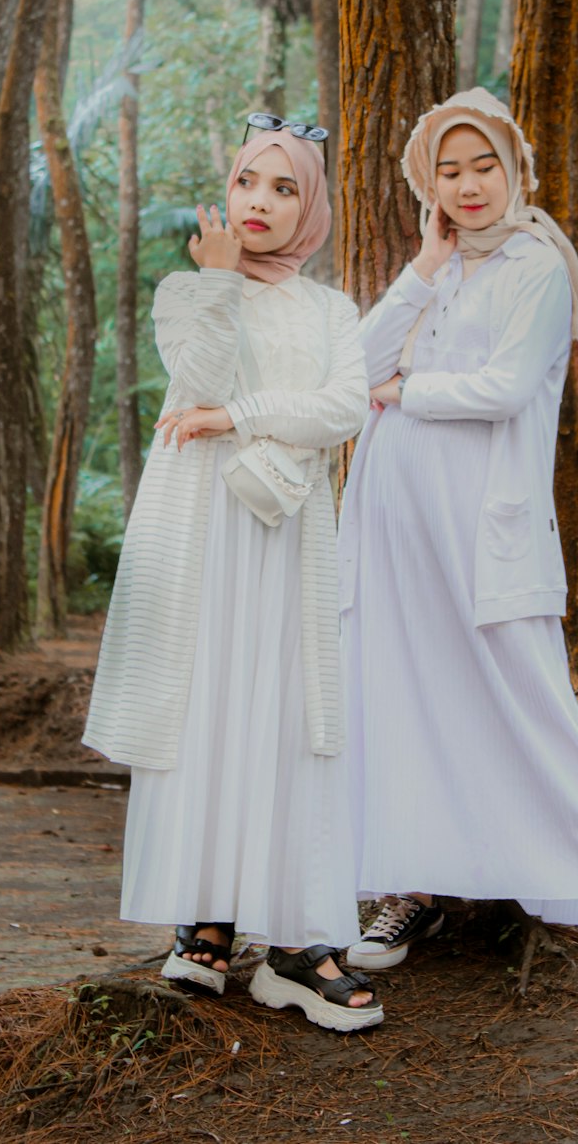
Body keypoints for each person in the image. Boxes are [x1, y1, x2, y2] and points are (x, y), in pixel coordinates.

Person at [338, 87, 578, 972]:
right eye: (449, 170)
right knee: (404, 696)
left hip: (485, 524)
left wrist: (408, 393)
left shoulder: (536, 264)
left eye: (485, 165)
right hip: (396, 524)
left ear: (515, 169)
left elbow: (508, 387)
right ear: (427, 182)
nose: (469, 185)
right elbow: (352, 370)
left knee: (529, 694)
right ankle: (415, 884)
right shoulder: (439, 265)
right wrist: (419, 270)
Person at [84, 118, 383, 1031]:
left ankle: (295, 938)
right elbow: (198, 372)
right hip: (202, 532)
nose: (260, 201)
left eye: (284, 187)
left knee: (286, 708)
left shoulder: (331, 310)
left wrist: (243, 417)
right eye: (249, 181)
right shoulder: (187, 290)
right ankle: (205, 919)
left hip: (289, 536)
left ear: (310, 207)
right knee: (205, 700)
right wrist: (216, 280)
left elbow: (342, 408)